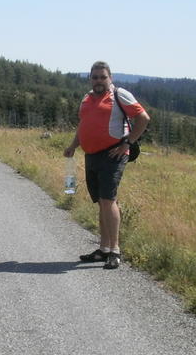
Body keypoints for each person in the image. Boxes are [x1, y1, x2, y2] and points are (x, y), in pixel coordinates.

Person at [63, 60, 150, 270]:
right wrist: (73, 145)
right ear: (90, 79)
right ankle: (103, 249)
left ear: (110, 78)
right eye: (95, 77)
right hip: (91, 155)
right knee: (101, 202)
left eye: (103, 77)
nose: (99, 81)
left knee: (108, 199)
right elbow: (83, 125)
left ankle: (115, 251)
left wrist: (127, 143)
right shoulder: (86, 98)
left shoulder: (120, 95)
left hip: (113, 154)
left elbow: (143, 118)